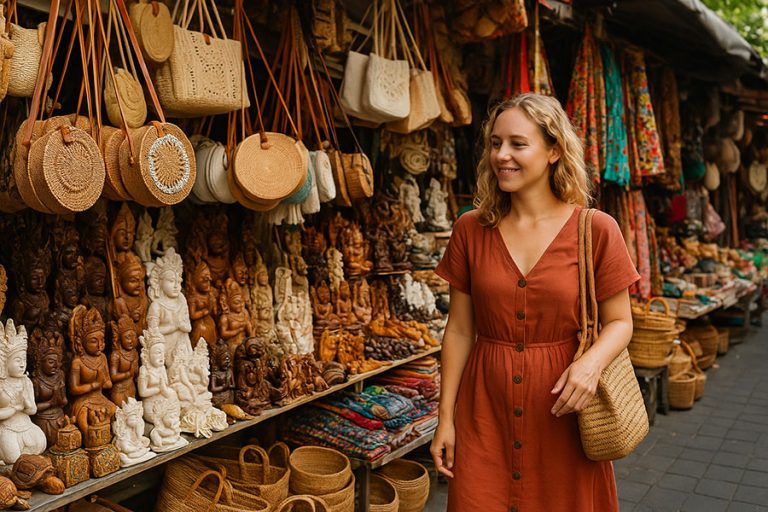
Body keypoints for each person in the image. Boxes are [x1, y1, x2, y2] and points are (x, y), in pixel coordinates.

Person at [430, 93, 640, 511]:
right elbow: (458, 329)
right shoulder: (471, 229)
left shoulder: (595, 229)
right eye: (495, 143)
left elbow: (621, 321)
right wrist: (446, 418)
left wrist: (590, 364)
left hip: (563, 411)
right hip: (483, 411)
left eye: (518, 144)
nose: (501, 155)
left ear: (554, 151)